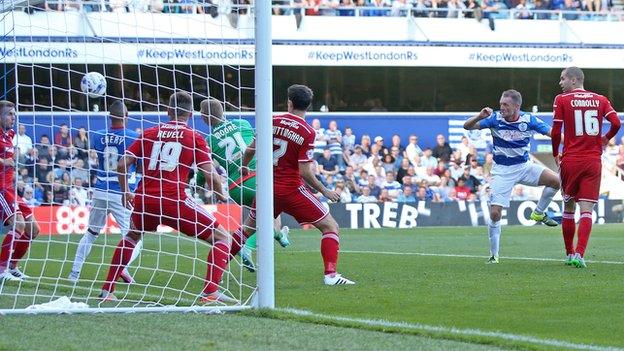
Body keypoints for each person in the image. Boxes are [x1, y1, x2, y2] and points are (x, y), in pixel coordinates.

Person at [98, 92, 236, 303]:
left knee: (132, 237)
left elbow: (121, 164)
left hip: (145, 200)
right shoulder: (194, 137)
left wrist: (126, 190)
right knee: (223, 238)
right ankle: (210, 292)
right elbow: (211, 175)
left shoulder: (148, 132)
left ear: (168, 111)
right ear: (191, 113)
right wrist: (220, 194)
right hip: (174, 201)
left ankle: (108, 291)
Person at [242, 84, 355, 285]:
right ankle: (330, 275)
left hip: (267, 189)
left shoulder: (271, 121)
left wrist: (243, 167)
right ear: (308, 106)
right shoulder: (307, 131)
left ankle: (214, 278)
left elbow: (250, 151)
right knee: (330, 226)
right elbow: (305, 171)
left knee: (244, 233)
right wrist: (325, 190)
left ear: (289, 103)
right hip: (291, 190)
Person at [464, 89, 561, 264]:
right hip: (502, 171)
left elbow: (554, 134)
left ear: (517, 106)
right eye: (501, 103)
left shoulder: (529, 120)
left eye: (505, 105)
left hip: (524, 167)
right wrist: (479, 116)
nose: (502, 107)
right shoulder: (494, 119)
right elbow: (467, 126)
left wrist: (572, 143)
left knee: (556, 181)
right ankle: (494, 255)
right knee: (494, 213)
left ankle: (538, 213)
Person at [196, 98, 290, 273]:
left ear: (203, 117)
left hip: (235, 189)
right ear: (223, 111)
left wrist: (196, 185)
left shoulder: (208, 140)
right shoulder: (243, 122)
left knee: (265, 214)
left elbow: (204, 172)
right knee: (270, 210)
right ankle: (263, 240)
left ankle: (278, 235)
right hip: (255, 177)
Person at [551, 67, 621, 268]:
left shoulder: (562, 100)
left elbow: (556, 132)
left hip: (571, 160)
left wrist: (556, 153)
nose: (560, 82)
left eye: (562, 78)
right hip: (593, 161)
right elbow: (616, 122)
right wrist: (605, 139)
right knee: (587, 211)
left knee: (569, 208)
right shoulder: (600, 99)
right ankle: (580, 255)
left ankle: (569, 253)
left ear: (573, 80)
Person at [68, 101, 143, 283]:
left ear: (110, 117)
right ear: (126, 117)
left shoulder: (97, 136)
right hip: (121, 192)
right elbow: (138, 166)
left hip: (100, 190)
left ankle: (74, 273)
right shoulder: (134, 137)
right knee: (136, 239)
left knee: (92, 233)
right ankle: (122, 268)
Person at [0, 100, 41, 282]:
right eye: (10, 114)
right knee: (19, 224)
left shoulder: (11, 134)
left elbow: (11, 159)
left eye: (14, 114)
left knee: (34, 229)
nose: (13, 117)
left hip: (10, 188)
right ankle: (1, 269)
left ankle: (13, 266)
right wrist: (3, 162)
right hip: (1, 189)